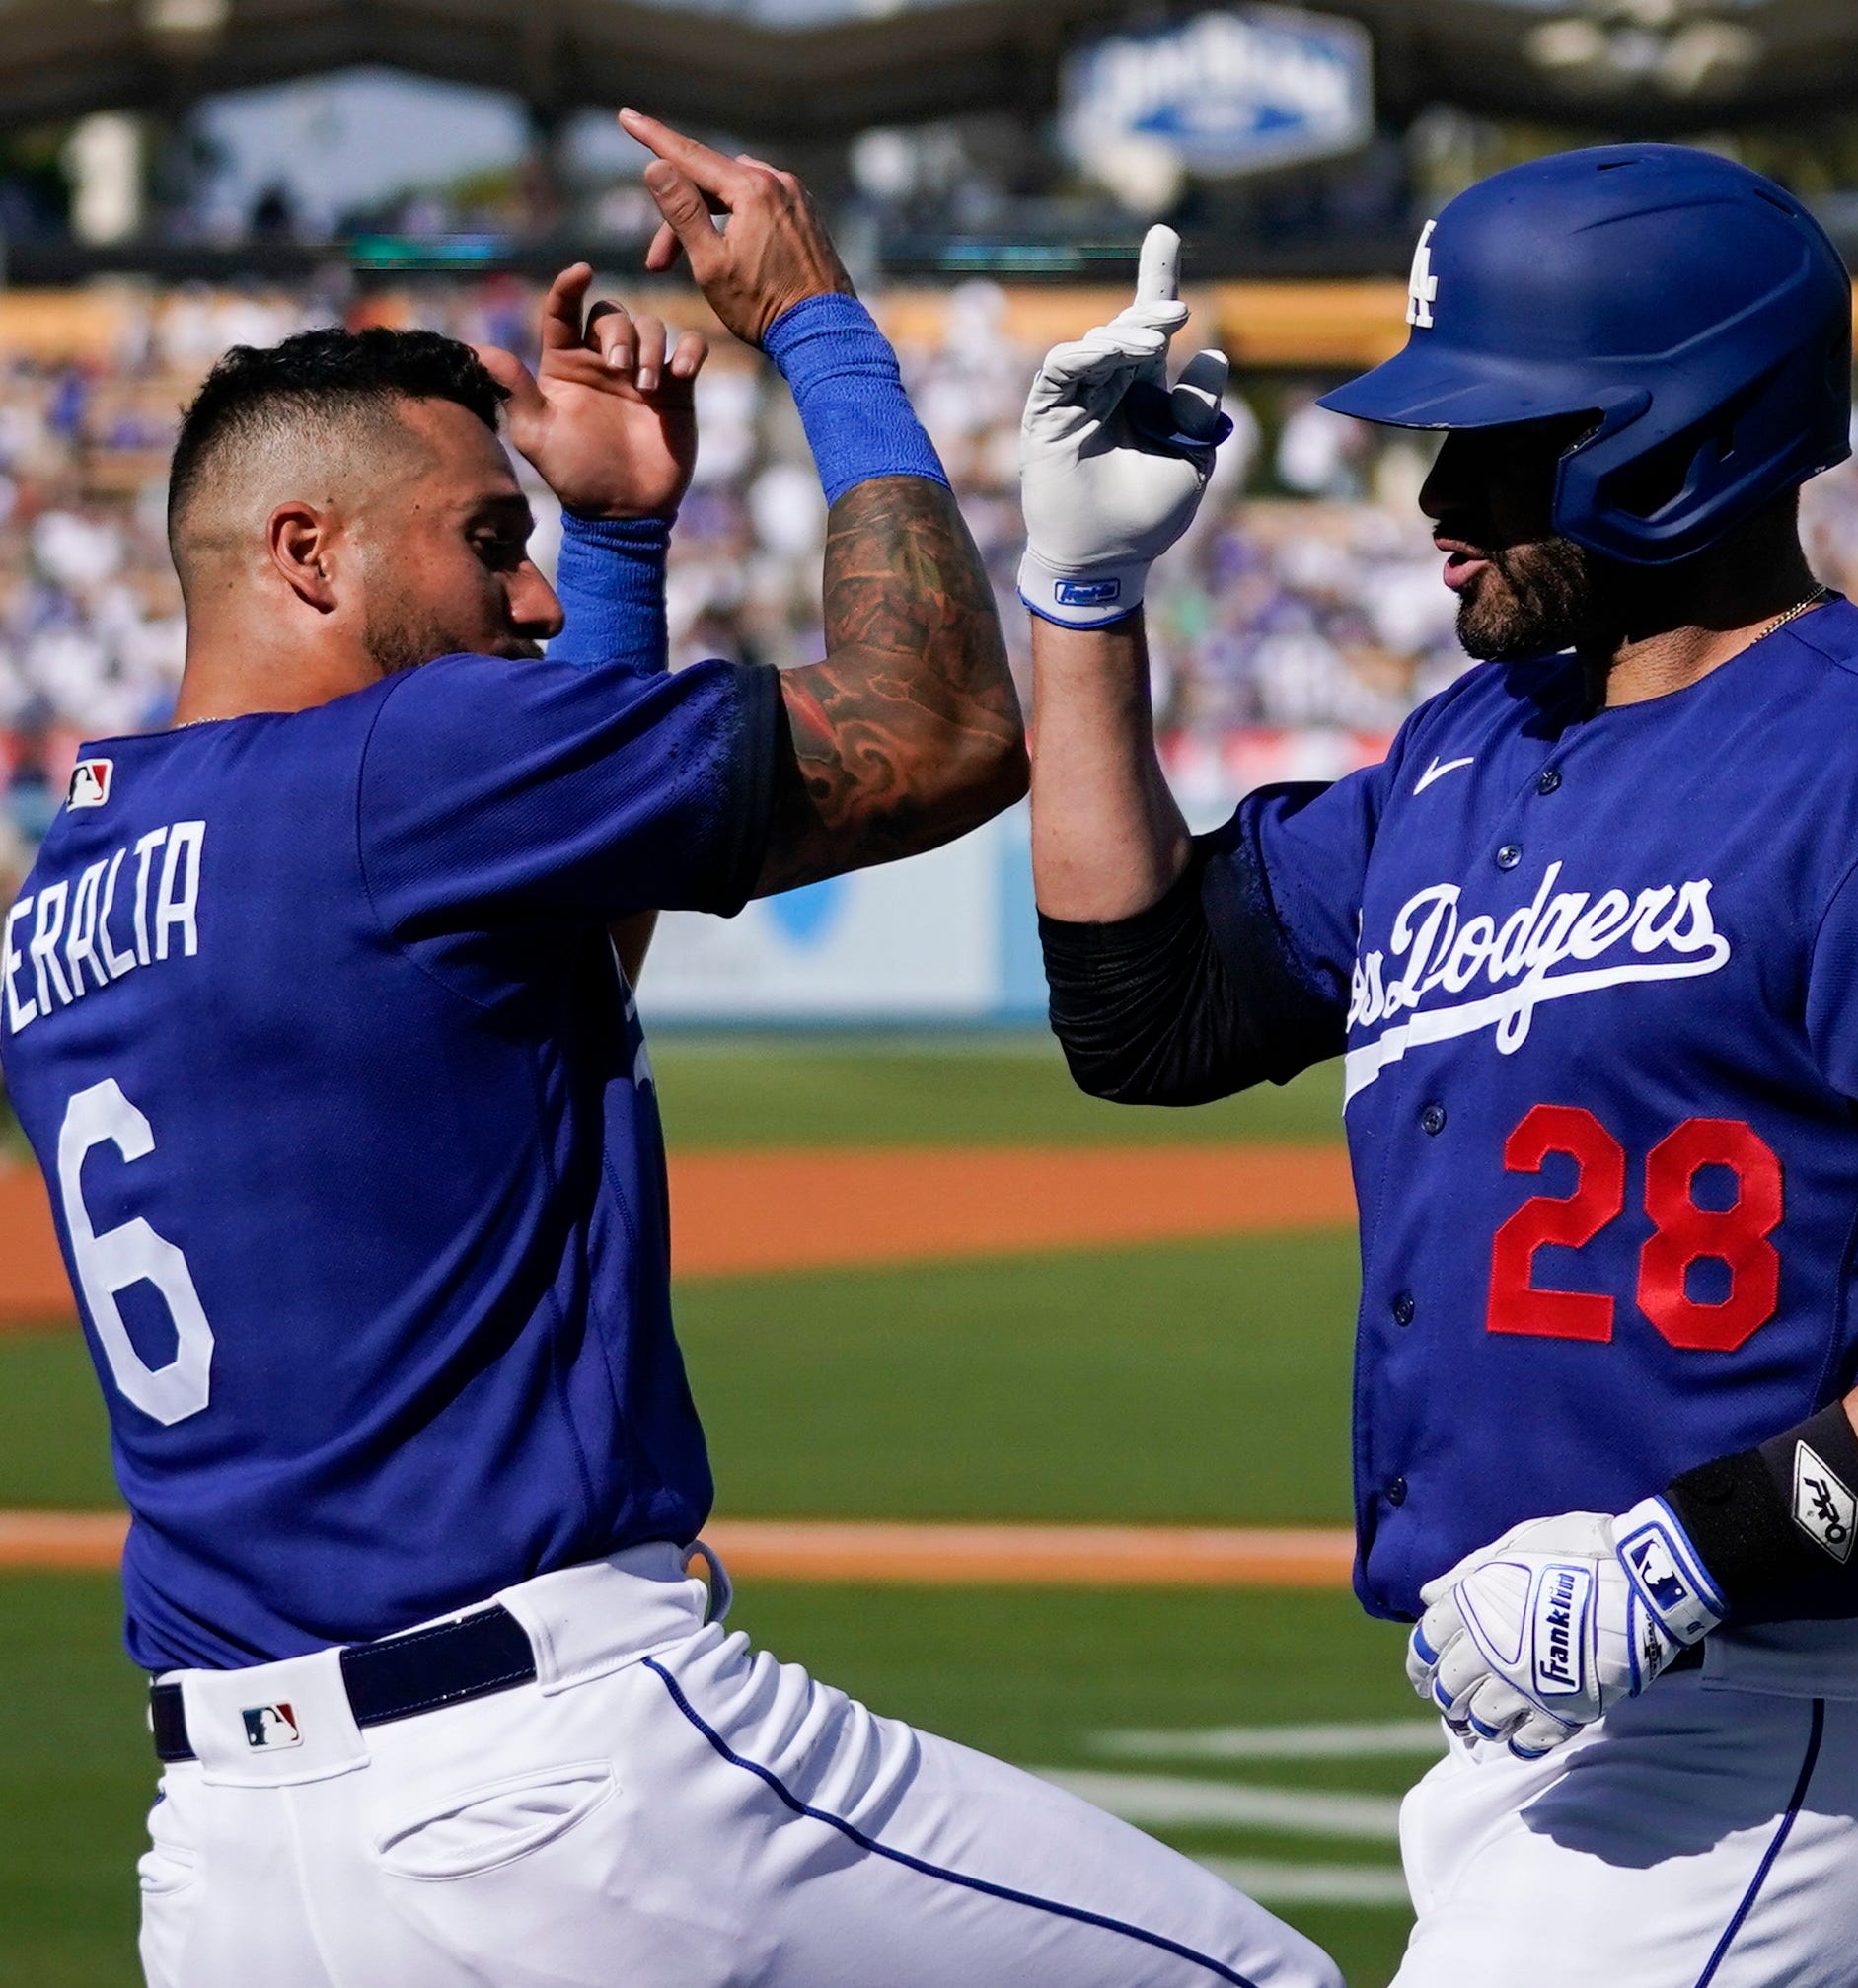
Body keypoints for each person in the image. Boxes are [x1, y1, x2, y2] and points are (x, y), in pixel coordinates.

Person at [0, 111, 1343, 1988]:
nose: (530, 599)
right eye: (494, 544)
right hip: (548, 1773)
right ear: (304, 551)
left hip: (232, 1856)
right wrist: (819, 324)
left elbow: (555, 949)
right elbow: (946, 723)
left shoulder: (79, 872)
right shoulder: (400, 765)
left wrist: (629, 536)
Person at [1020, 147, 1858, 1987]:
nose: (1438, 498)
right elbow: (1140, 1013)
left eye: (1501, 441)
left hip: (1789, 1726)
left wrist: (1687, 1555)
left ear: (1682, 439)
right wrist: (1079, 598)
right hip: (1537, 1738)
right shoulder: (1473, 742)